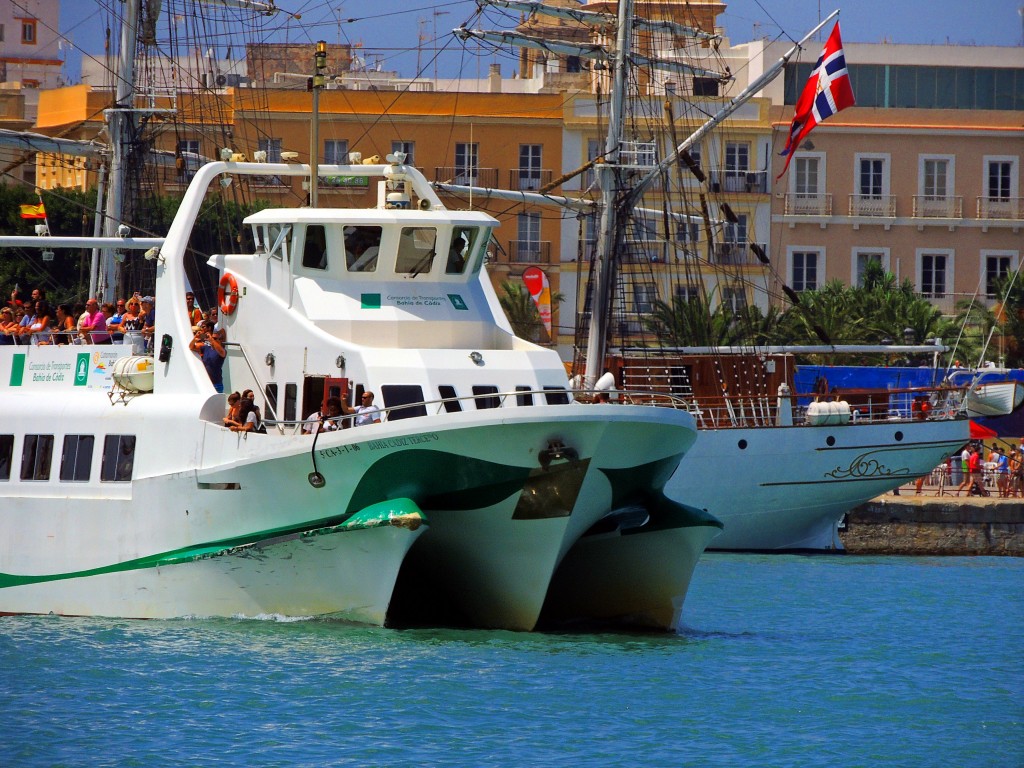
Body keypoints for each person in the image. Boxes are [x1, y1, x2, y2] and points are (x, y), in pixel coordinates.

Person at [188, 319, 226, 392]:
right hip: (206, 384)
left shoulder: (222, 351)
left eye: (215, 338)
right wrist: (195, 339)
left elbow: (222, 352)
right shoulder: (205, 348)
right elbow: (191, 347)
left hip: (217, 385)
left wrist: (211, 339)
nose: (213, 339)